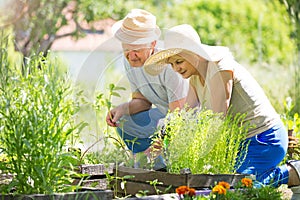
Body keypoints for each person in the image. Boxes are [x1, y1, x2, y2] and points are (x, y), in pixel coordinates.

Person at [144, 24, 300, 188]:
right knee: (223, 185)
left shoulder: (220, 67)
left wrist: (197, 152)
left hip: (263, 137)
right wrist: (161, 138)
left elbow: (218, 117)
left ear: (194, 54)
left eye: (179, 61)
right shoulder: (195, 78)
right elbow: (182, 115)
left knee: (239, 187)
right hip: (238, 145)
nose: (176, 68)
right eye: (172, 64)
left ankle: (293, 172)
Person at [106, 10, 192, 170]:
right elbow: (143, 102)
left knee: (163, 124)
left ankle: (160, 166)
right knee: (124, 120)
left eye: (136, 50)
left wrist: (154, 150)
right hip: (163, 118)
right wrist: (122, 108)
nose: (131, 56)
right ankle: (147, 167)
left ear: (152, 44)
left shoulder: (169, 64)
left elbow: (178, 116)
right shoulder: (131, 62)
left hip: (188, 121)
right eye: (126, 50)